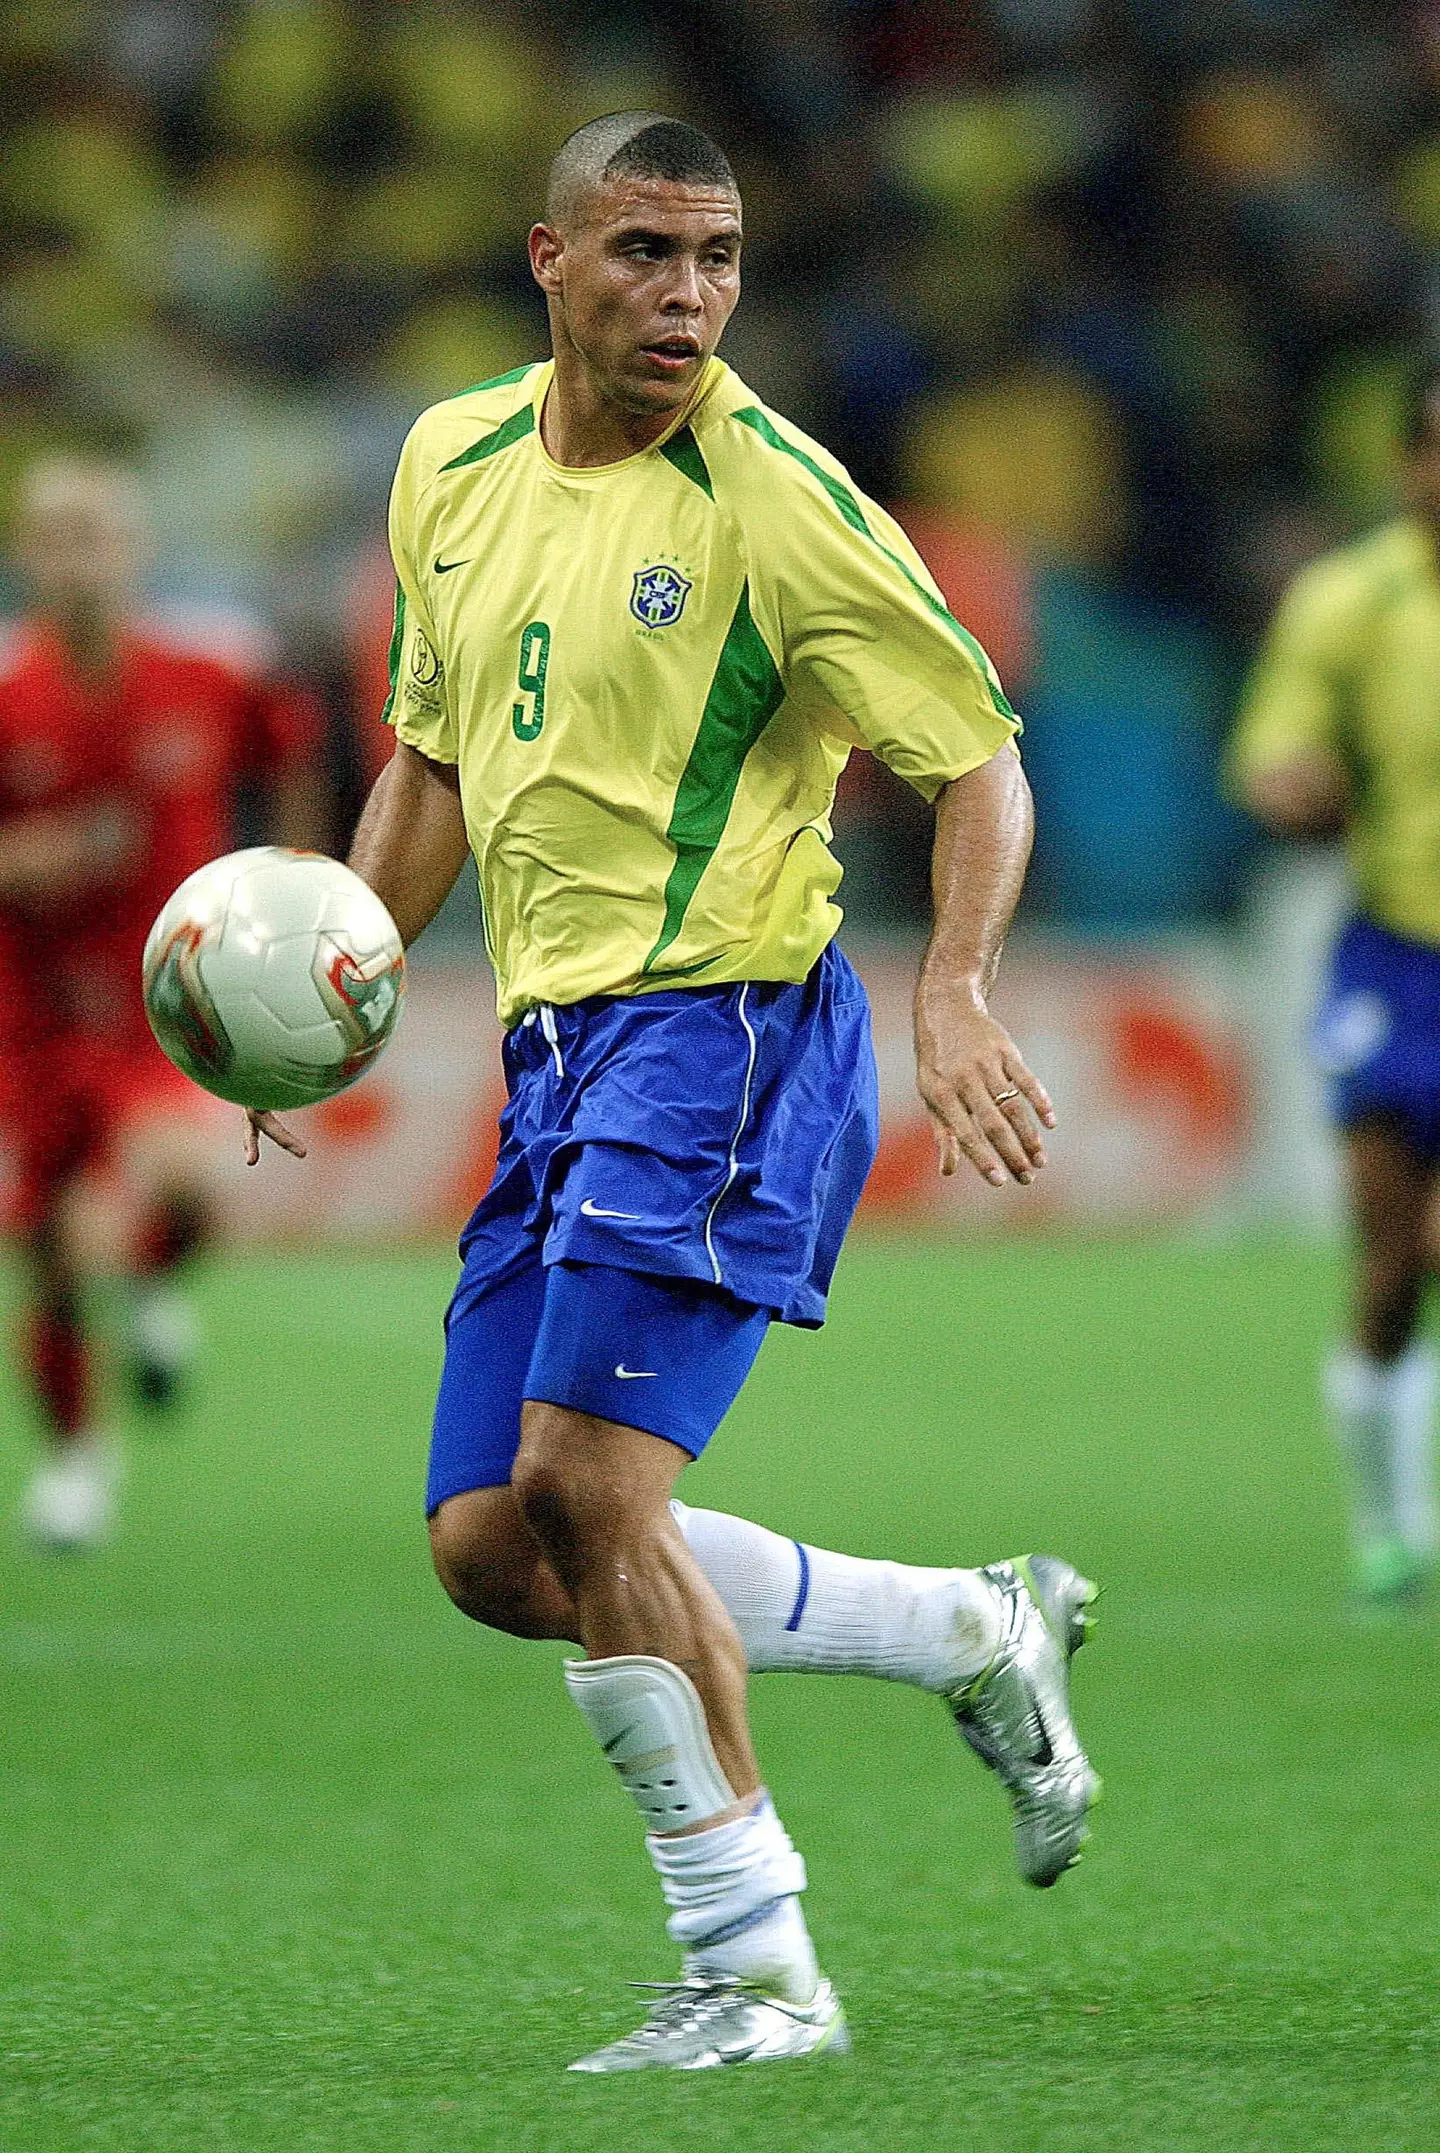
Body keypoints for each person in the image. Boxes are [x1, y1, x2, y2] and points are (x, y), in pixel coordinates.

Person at [249, 113, 1100, 2072]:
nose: (688, 294)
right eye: (645, 252)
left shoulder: (779, 497)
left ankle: (758, 1964)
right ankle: (973, 1625)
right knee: (492, 1542)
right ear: (550, 259)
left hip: (721, 1028)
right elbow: (435, 760)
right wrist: (337, 983)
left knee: (591, 1489)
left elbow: (977, 756)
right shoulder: (447, 463)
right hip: (559, 1049)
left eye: (717, 257)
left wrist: (952, 987)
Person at [0, 456, 321, 1549]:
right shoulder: (8, 691)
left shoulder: (207, 667)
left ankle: (146, 1286)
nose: (76, 556)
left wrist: (298, 885)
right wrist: (23, 858)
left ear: (133, 548)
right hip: (33, 1013)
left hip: (170, 998)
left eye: (95, 532)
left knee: (184, 1189)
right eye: (54, 534)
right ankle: (77, 1460)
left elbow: (293, 753)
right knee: (49, 1249)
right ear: (27, 553)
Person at [1232, 361, 1440, 1605]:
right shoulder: (1351, 600)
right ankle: (1385, 1521)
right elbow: (1275, 743)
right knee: (1389, 1257)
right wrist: (1290, 782)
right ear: (1408, 464)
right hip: (1395, 952)